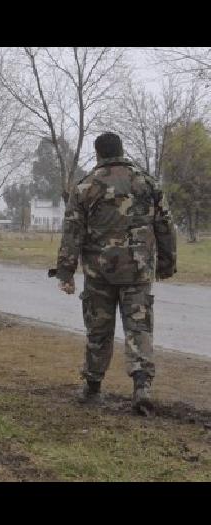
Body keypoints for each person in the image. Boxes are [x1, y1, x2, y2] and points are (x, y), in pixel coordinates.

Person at [54, 132, 177, 414]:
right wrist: (167, 263)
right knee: (139, 328)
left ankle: (93, 387)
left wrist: (66, 271)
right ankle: (142, 387)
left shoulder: (85, 187)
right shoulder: (147, 182)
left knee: (98, 330)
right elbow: (165, 226)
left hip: (99, 274)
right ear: (121, 150)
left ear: (98, 154)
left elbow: (72, 232)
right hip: (138, 270)